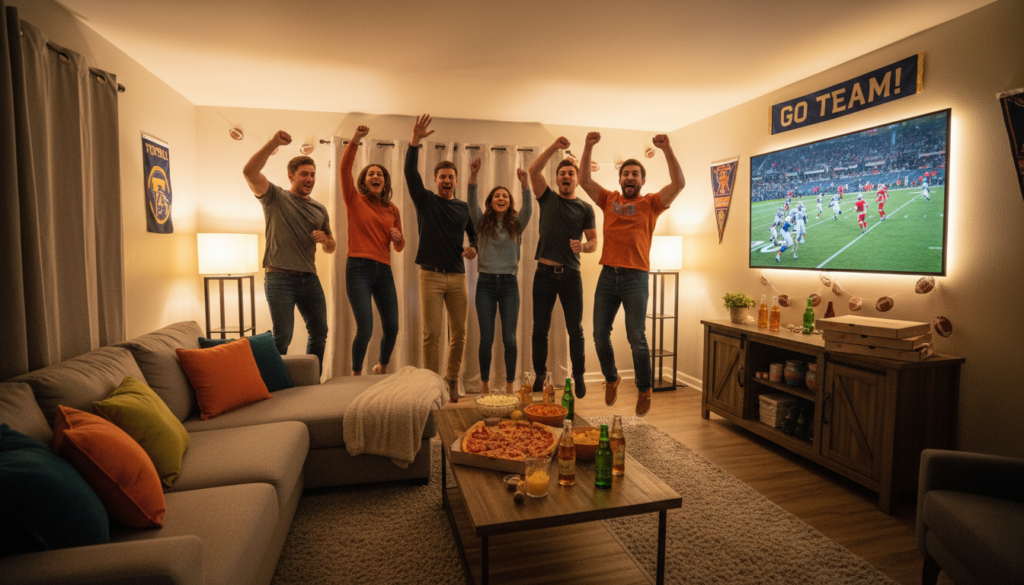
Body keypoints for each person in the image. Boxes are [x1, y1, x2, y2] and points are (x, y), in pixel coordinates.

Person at [579, 132, 685, 417]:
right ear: (619, 179)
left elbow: (679, 184)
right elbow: (584, 181)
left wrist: (667, 149)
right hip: (607, 276)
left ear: (642, 181)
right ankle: (612, 378)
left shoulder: (651, 204)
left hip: (636, 277)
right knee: (599, 334)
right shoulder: (608, 199)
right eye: (625, 173)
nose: (629, 177)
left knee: (636, 336)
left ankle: (644, 389)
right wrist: (588, 146)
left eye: (635, 174)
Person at [243, 130, 335, 375]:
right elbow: (249, 172)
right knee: (282, 337)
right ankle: (273, 384)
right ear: (291, 176)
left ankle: (310, 379)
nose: (310, 178)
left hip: (309, 278)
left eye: (313, 174)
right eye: (304, 174)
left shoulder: (319, 208)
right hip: (279, 278)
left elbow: (331, 245)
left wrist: (325, 240)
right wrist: (273, 143)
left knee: (320, 332)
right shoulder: (275, 196)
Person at [404, 114, 477, 403]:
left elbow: (476, 234)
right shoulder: (426, 201)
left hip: (457, 277)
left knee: (459, 334)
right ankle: (431, 387)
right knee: (431, 335)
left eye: (451, 177)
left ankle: (451, 381)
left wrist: (475, 247)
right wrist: (414, 141)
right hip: (430, 276)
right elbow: (410, 174)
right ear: (435, 181)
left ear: (456, 181)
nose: (446, 181)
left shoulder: (462, 207)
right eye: (442, 177)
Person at [528, 136, 597, 400]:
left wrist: (584, 247)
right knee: (539, 329)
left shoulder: (585, 208)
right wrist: (556, 148)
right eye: (562, 173)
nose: (567, 176)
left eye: (571, 173)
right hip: (543, 275)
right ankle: (539, 375)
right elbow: (534, 170)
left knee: (576, 330)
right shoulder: (546, 198)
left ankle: (578, 375)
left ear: (577, 180)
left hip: (571, 277)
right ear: (557, 180)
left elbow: (593, 243)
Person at [339, 125, 405, 376]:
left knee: (392, 326)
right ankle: (355, 374)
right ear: (364, 182)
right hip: (358, 268)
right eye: (371, 174)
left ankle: (381, 367)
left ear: (384, 182)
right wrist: (355, 139)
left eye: (380, 174)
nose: (376, 176)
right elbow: (345, 168)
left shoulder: (392, 209)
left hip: (383, 270)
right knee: (365, 327)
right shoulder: (354, 200)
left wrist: (398, 238)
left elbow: (399, 247)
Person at [467, 159, 533, 394]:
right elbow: (470, 202)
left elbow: (529, 209)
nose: (501, 198)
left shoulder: (516, 224)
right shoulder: (481, 222)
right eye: (497, 196)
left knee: (510, 339)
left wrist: (525, 186)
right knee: (486, 339)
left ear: (509, 201)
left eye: (505, 196)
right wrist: (473, 176)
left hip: (509, 285)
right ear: (491, 202)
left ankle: (509, 386)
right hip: (485, 284)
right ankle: (484, 385)